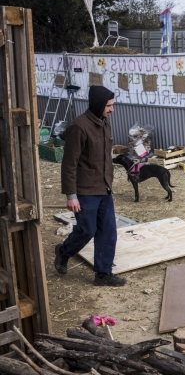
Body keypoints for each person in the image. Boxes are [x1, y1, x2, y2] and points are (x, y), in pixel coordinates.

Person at [55, 85, 126, 286]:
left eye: (112, 105)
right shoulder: (79, 127)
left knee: (108, 231)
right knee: (87, 229)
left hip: (104, 188)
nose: (112, 109)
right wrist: (71, 195)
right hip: (85, 190)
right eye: (109, 105)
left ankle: (103, 274)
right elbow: (69, 164)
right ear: (97, 105)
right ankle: (64, 251)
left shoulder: (105, 123)